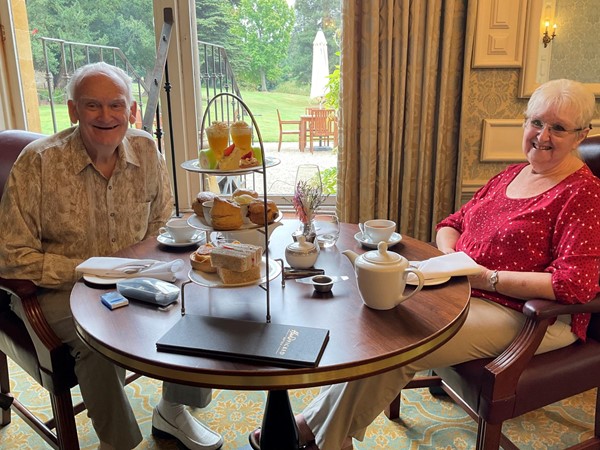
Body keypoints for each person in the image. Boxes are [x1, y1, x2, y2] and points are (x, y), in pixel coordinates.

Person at [251, 78, 600, 450]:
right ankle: (316, 430)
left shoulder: (583, 193)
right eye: (536, 122)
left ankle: (323, 438)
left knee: (402, 343)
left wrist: (488, 278)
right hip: (465, 289)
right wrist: (451, 257)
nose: (542, 136)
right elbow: (451, 224)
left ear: (581, 135)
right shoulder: (511, 175)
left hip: (530, 316)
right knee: (382, 322)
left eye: (558, 128)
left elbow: (575, 284)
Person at [0, 62, 223, 450]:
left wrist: (144, 269)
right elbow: (10, 256)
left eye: (116, 105)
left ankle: (173, 410)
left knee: (198, 303)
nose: (106, 116)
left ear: (131, 111)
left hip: (135, 278)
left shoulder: (145, 149)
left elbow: (160, 221)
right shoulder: (38, 163)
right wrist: (87, 271)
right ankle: (118, 442)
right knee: (98, 340)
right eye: (92, 106)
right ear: (73, 110)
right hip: (58, 292)